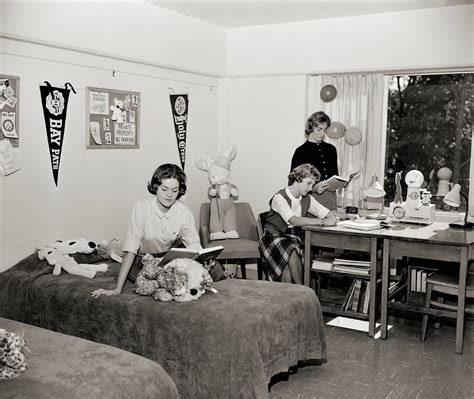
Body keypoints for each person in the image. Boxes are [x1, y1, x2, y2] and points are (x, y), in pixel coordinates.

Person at [91, 163, 202, 298]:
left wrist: (202, 259)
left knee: (215, 270)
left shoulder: (183, 211)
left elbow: (193, 243)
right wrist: (117, 289)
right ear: (155, 187)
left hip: (168, 258)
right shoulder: (141, 208)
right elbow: (131, 249)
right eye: (164, 189)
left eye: (174, 190)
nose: (169, 195)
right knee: (158, 278)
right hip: (143, 260)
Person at [259, 163, 337, 284]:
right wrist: (324, 222)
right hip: (272, 237)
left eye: (313, 184)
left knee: (287, 264)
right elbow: (295, 221)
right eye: (309, 183)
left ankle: (290, 297)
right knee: (291, 250)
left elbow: (327, 213)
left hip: (292, 237)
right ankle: (302, 288)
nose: (311, 188)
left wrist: (343, 216)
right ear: (298, 179)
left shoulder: (307, 198)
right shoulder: (279, 197)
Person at [290, 111, 339, 210]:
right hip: (309, 199)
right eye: (319, 129)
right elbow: (293, 184)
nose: (322, 134)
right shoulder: (300, 151)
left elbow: (335, 175)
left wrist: (341, 182)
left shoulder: (331, 149)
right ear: (311, 128)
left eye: (325, 130)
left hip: (330, 198)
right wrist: (313, 188)